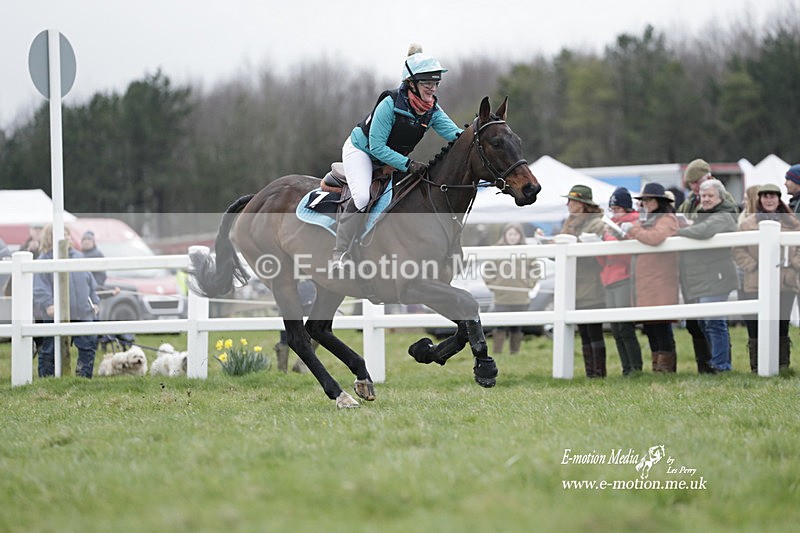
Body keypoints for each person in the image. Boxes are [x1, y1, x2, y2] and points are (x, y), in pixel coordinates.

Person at [331, 44, 462, 269]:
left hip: (391, 161)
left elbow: (456, 135)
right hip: (362, 152)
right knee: (362, 197)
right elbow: (377, 147)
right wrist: (408, 164)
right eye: (427, 83)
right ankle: (340, 253)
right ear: (411, 83)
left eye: (436, 83)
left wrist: (479, 136)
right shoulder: (390, 104)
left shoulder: (432, 110)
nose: (433, 88)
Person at [733, 183, 800, 372]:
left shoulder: (792, 222)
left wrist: (794, 263)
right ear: (760, 199)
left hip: (785, 281)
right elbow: (737, 249)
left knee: (781, 325)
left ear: (779, 199)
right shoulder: (748, 224)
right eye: (765, 196)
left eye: (772, 196)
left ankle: (782, 365)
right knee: (755, 325)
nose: (769, 200)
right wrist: (754, 265)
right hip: (756, 280)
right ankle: (757, 366)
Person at [676, 179, 739, 373]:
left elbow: (704, 231)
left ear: (720, 198)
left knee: (714, 322)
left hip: (717, 276)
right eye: (703, 196)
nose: (706, 199)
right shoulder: (703, 215)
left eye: (710, 195)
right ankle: (718, 362)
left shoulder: (724, 216)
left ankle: (721, 366)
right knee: (705, 322)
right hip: (703, 278)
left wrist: (680, 231)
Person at [621, 183, 679, 373]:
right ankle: (657, 366)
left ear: (659, 201)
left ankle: (665, 368)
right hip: (646, 281)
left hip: (660, 280)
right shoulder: (647, 220)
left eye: (649, 200)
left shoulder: (667, 219)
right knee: (650, 327)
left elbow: (655, 238)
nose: (645, 203)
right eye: (643, 200)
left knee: (661, 326)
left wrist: (633, 230)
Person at [33, 225, 100, 378]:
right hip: (55, 313)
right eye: (63, 234)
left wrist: (95, 301)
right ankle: (47, 379)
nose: (67, 237)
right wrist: (48, 304)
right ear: (50, 237)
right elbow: (39, 286)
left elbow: (90, 282)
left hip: (81, 311)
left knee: (88, 345)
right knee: (50, 349)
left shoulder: (79, 257)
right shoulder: (44, 260)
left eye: (68, 234)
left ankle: (83, 378)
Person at [559, 185, 607, 378]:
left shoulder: (597, 224)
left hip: (592, 284)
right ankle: (590, 373)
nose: (568, 205)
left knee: (594, 331)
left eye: (572, 201)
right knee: (584, 332)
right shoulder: (570, 223)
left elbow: (593, 256)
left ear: (582, 204)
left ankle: (599, 373)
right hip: (574, 285)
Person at [597, 188, 643, 376]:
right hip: (609, 278)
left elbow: (626, 254)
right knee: (616, 329)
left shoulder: (633, 223)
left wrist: (608, 238)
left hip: (624, 278)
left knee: (625, 327)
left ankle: (635, 367)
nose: (614, 212)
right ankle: (626, 368)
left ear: (626, 208)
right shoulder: (611, 225)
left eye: (617, 208)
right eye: (612, 208)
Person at [483, 223, 539, 355]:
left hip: (521, 298)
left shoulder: (528, 251)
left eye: (515, 234)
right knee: (500, 327)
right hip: (501, 298)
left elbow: (536, 269)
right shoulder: (496, 250)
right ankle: (497, 353)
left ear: (520, 235)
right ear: (505, 235)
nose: (512, 237)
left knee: (516, 328)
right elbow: (487, 270)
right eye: (510, 234)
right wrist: (493, 286)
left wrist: (529, 284)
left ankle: (514, 353)